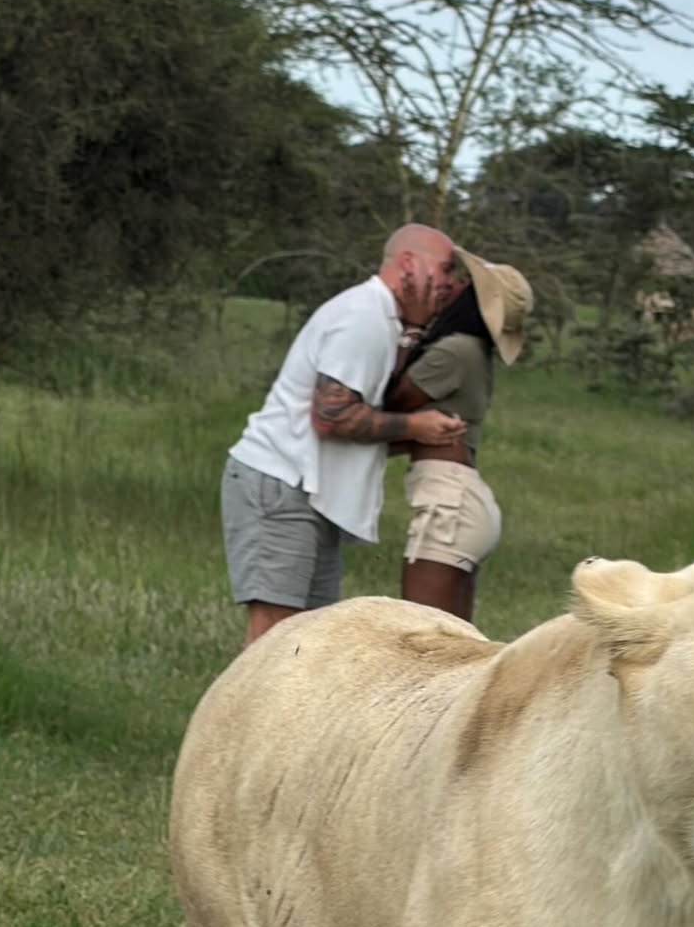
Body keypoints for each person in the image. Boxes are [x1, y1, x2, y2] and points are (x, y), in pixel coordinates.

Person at [221, 224, 466, 647]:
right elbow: (331, 417)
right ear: (408, 263)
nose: (450, 283)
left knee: (307, 645)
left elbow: (348, 426)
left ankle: (289, 716)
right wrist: (414, 426)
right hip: (281, 486)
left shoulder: (385, 323)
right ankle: (242, 716)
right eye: (445, 269)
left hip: (307, 494)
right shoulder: (364, 317)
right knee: (272, 641)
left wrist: (418, 436)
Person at [384, 248, 533, 620]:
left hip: (446, 502)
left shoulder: (454, 351)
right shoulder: (471, 351)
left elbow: (390, 402)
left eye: (462, 282)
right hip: (459, 499)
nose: (450, 286)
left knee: (419, 638)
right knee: (452, 646)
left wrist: (412, 329)